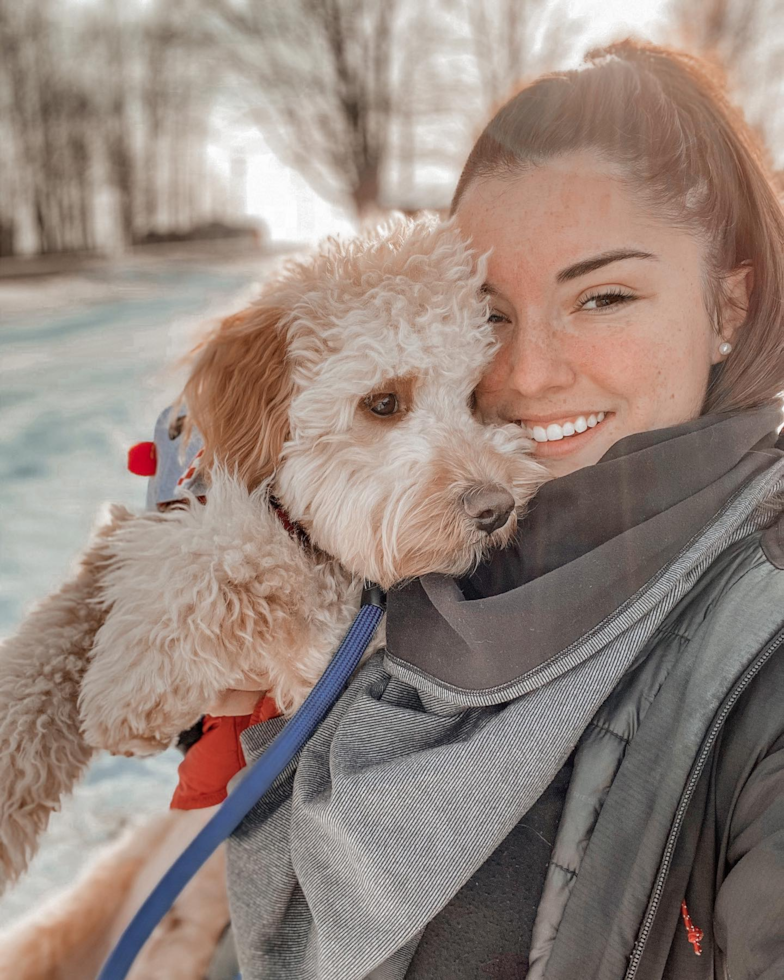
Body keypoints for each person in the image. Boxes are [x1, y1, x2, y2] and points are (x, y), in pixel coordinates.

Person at [212, 40, 784, 980]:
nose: (525, 373)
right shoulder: (406, 575)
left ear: (728, 305)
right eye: (489, 312)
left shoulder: (759, 648)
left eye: (602, 297)